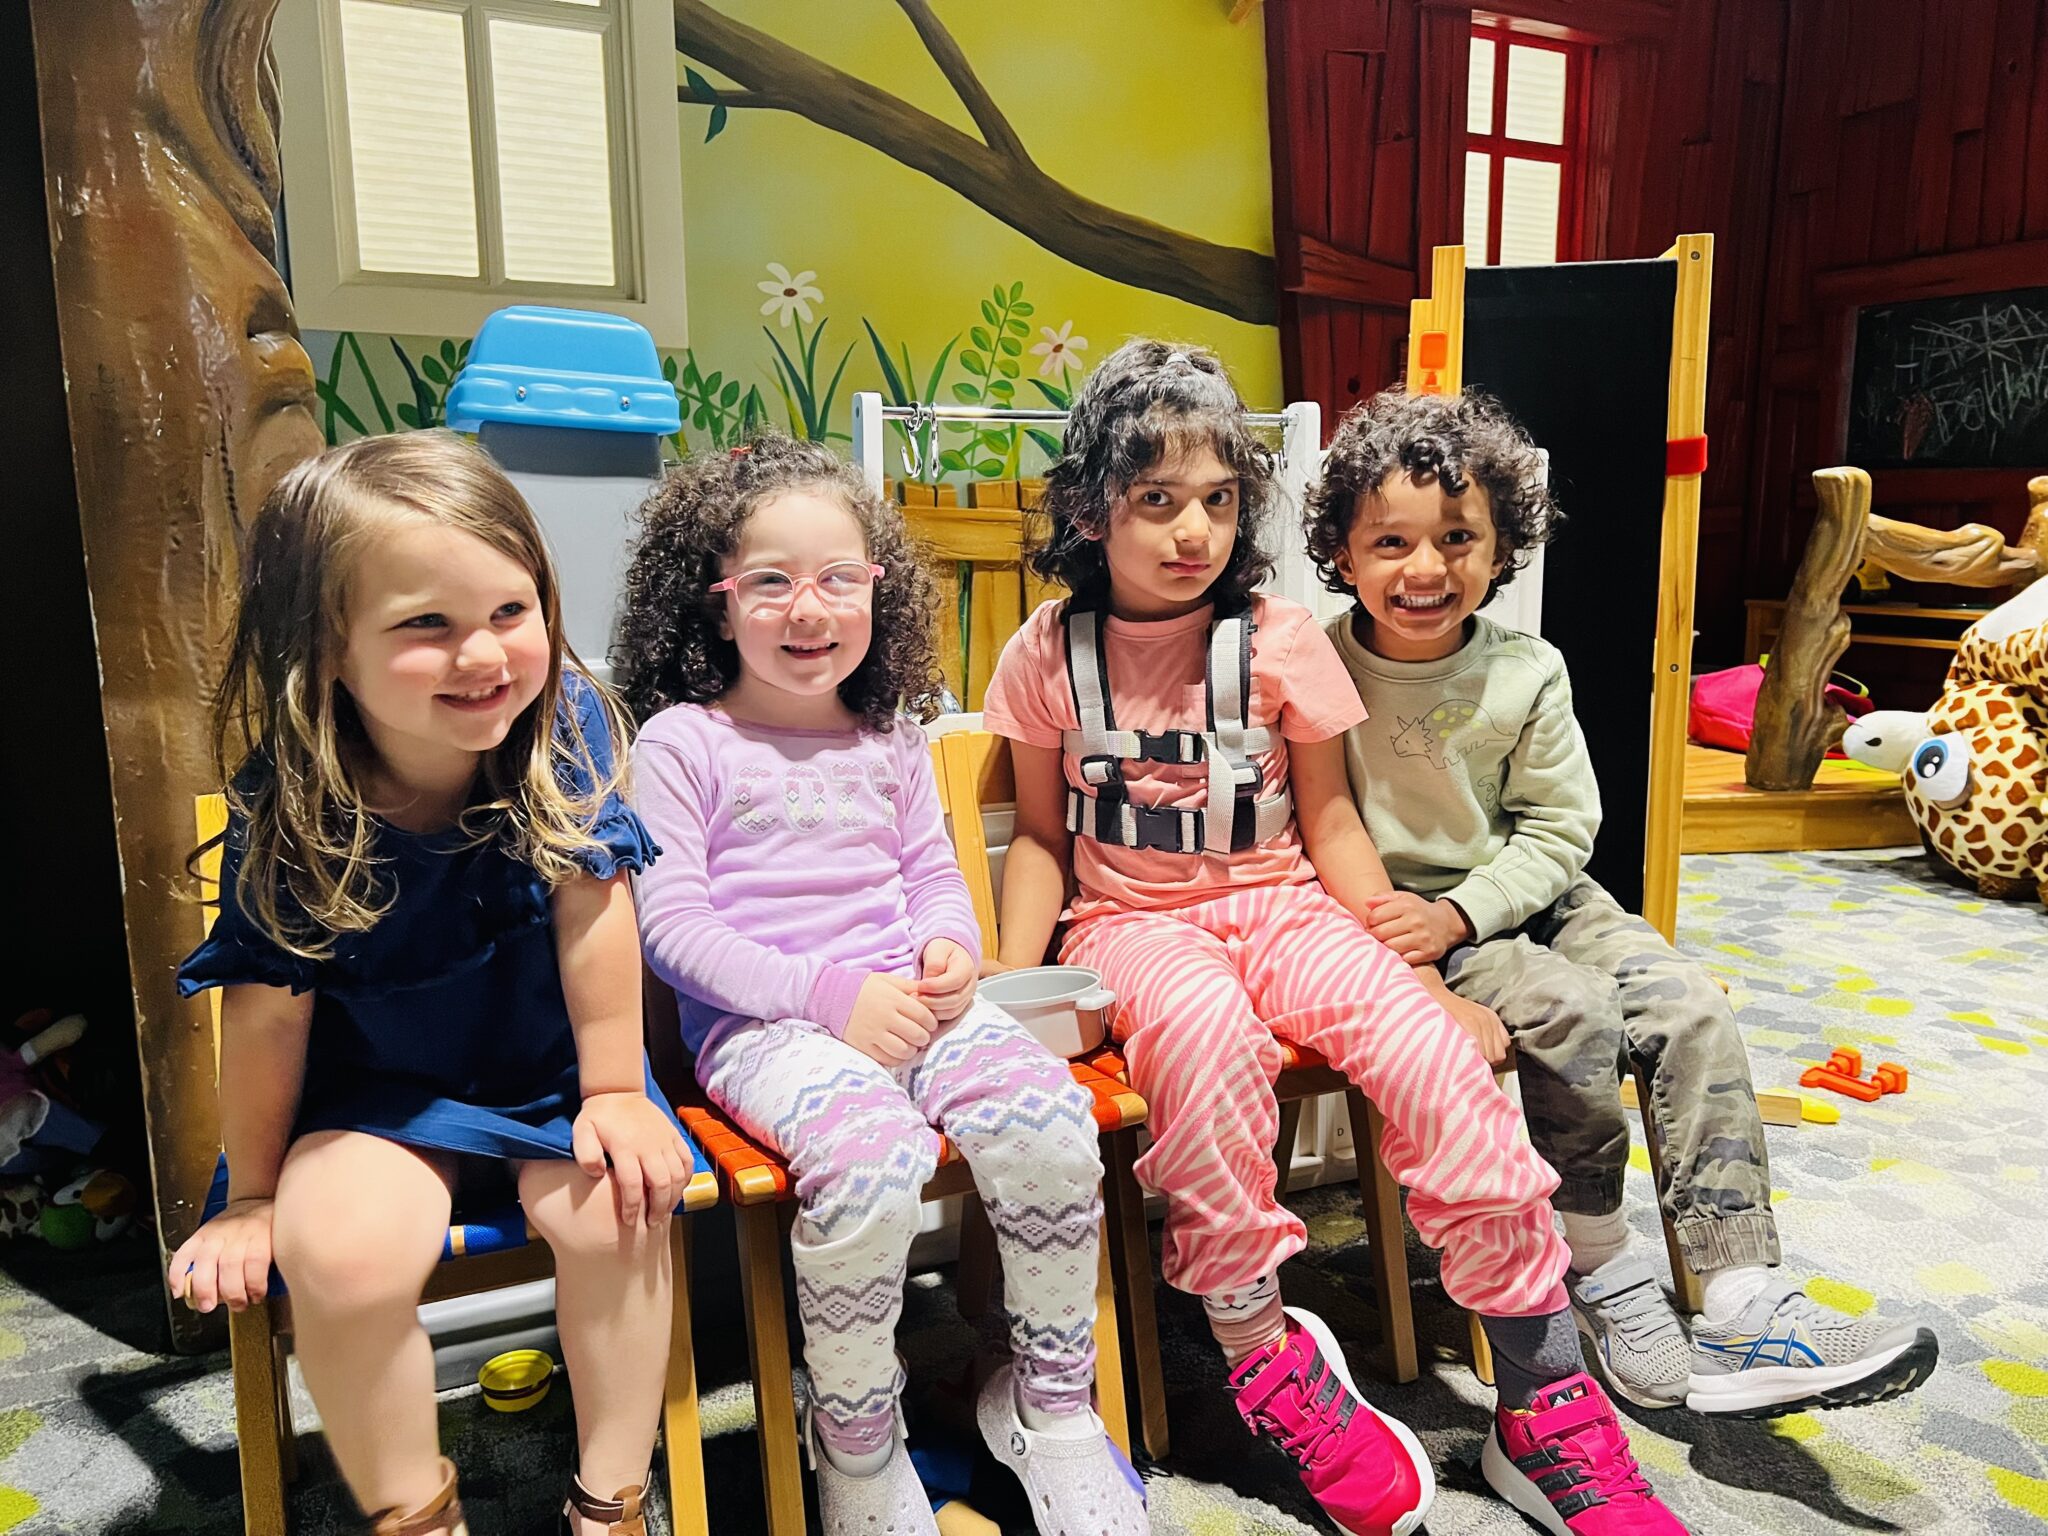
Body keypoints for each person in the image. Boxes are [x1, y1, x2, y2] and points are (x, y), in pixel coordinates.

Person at [983, 341, 1687, 1536]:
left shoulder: (1277, 637)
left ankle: (1543, 1408)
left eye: (1215, 500)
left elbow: (1329, 818)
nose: (1189, 532)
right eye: (1155, 501)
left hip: (1286, 904)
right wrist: (1010, 995)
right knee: (1202, 1052)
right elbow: (1043, 843)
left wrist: (1416, 978)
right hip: (1134, 927)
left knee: (1439, 1068)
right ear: (1092, 504)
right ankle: (1264, 1351)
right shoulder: (1047, 651)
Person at [1303, 386, 1938, 1422]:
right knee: (1570, 1015)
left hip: (1526, 895)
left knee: (1684, 1001)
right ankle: (1595, 1261)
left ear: (1502, 541)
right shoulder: (1317, 666)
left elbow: (1557, 831)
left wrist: (1471, 908)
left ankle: (1739, 1290)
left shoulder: (1526, 668)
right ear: (1341, 548)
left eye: (1457, 536)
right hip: (1402, 920)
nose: (1424, 569)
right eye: (1390, 541)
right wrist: (1435, 931)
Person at [617, 432, 1145, 1536]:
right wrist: (829, 999)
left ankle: (1049, 1409)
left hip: (917, 1005)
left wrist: (954, 948)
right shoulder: (681, 743)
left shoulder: (890, 736)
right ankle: (856, 1448)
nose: (806, 609)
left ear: (876, 591)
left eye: (836, 579)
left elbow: (929, 879)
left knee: (1051, 1123)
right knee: (869, 1162)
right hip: (768, 1032)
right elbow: (671, 929)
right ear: (713, 606)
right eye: (768, 582)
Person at [171, 430, 691, 1536]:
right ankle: (417, 1518)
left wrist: (610, 1090)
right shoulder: (297, 801)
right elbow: (265, 1015)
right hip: (377, 1096)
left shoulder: (568, 727)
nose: (485, 656)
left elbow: (597, 910)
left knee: (623, 1213)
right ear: (328, 649)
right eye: (426, 626)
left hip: (553, 1074)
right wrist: (255, 1196)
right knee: (343, 1259)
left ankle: (612, 1503)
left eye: (512, 612)